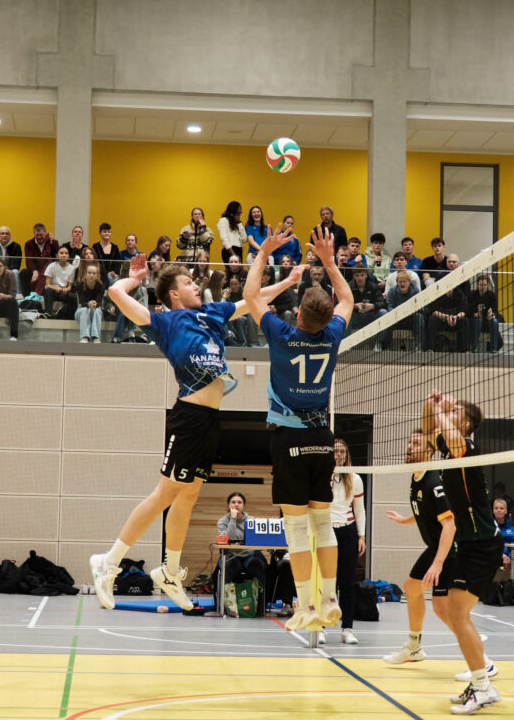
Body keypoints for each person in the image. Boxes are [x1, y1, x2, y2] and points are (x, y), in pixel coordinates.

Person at [90, 254, 301, 610]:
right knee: (164, 495)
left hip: (210, 420)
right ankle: (108, 563)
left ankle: (170, 571)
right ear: (173, 294)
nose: (195, 285)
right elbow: (114, 293)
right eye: (187, 282)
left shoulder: (213, 312)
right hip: (188, 417)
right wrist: (135, 279)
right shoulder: (165, 322)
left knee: (188, 496)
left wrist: (288, 282)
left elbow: (252, 299)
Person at [243, 225, 353, 632]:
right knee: (323, 524)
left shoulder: (282, 333)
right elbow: (347, 299)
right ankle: (330, 600)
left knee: (295, 527)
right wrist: (329, 261)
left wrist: (265, 252)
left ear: (300, 315)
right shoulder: (332, 335)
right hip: (323, 439)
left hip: (289, 438)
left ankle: (306, 606)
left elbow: (251, 295)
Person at [422, 390, 503, 714]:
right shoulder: (450, 447)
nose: (449, 413)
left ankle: (483, 685)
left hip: (483, 544)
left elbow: (445, 430)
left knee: (457, 614)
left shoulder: (465, 447)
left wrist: (443, 409)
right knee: (456, 613)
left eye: (456, 411)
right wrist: (431, 406)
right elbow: (429, 430)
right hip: (470, 544)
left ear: (466, 423)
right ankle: (481, 680)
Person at [384, 429, 463, 668]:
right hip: (436, 547)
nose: (409, 446)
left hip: (448, 550)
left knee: (442, 607)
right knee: (411, 588)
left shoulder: (434, 481)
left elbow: (449, 524)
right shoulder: (417, 477)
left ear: (429, 451)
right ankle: (414, 647)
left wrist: (438, 563)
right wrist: (405, 520)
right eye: (409, 441)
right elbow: (426, 511)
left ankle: (481, 658)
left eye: (416, 443)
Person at [328, 438, 365, 645]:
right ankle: (321, 627)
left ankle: (347, 629)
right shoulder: (322, 475)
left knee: (347, 583)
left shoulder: (355, 478)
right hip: (327, 531)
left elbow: (359, 510)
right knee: (326, 583)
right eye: (335, 451)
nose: (339, 454)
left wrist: (362, 536)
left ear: (347, 454)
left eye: (342, 451)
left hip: (348, 532)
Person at [424, 255, 469, 352]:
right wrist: (445, 317)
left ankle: (463, 351)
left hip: (454, 319)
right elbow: (432, 310)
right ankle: (429, 349)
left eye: (454, 262)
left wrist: (456, 317)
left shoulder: (459, 293)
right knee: (432, 320)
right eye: (449, 261)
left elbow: (464, 310)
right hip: (441, 319)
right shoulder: (437, 294)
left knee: (465, 321)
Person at [380, 270, 425, 351]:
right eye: (400, 282)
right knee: (387, 317)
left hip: (411, 318)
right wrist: (396, 313)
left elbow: (420, 307)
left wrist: (410, 312)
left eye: (404, 281)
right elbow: (390, 306)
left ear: (409, 282)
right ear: (397, 283)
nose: (402, 284)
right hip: (396, 318)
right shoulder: (392, 291)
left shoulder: (415, 290)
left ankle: (418, 347)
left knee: (419, 316)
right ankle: (386, 348)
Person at [23, 223, 59, 297]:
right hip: (35, 268)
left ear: (45, 233)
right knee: (24, 272)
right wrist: (34, 271)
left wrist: (51, 243)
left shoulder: (53, 242)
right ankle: (26, 296)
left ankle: (37, 294)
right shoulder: (29, 244)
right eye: (37, 235)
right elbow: (29, 260)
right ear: (34, 234)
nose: (39, 237)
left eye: (41, 235)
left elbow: (56, 256)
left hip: (49, 268)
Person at [468, 274, 501, 353]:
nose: (482, 287)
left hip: (486, 322)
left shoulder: (492, 295)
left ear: (488, 285)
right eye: (480, 285)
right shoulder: (472, 294)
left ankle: (493, 349)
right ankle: (475, 348)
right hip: (474, 322)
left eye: (484, 285)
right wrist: (474, 314)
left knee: (495, 321)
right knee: (478, 319)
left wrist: (492, 315)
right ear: (477, 285)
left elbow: (495, 310)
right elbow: (467, 310)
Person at [348, 267, 386, 334]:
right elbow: (343, 304)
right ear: (353, 276)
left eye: (362, 275)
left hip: (370, 316)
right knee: (345, 316)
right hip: (355, 316)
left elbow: (382, 302)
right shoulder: (348, 287)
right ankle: (346, 340)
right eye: (357, 275)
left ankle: (380, 340)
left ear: (366, 275)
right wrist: (355, 306)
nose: (360, 278)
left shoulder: (374, 286)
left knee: (383, 312)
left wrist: (372, 306)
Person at [75, 262, 105, 343]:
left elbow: (99, 301)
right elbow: (82, 302)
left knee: (97, 311)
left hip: (95, 309)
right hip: (82, 309)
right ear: (85, 274)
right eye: (89, 273)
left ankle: (96, 337)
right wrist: (88, 304)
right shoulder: (80, 285)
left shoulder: (100, 286)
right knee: (85, 310)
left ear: (97, 275)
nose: (91, 275)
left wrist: (95, 304)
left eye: (94, 273)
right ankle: (85, 337)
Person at [43, 246, 76, 318]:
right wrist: (56, 288)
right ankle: (48, 314)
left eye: (66, 253)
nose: (64, 255)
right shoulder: (51, 266)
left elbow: (69, 286)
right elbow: (48, 284)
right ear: (57, 255)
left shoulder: (72, 268)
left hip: (63, 292)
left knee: (73, 296)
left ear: (68, 256)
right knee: (47, 291)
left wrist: (66, 289)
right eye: (61, 253)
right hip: (53, 291)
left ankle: (72, 316)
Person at [0, 226, 22, 292]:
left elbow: (17, 264)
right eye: (2, 233)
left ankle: (17, 294)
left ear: (10, 235)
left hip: (10, 269)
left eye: (7, 233)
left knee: (15, 272)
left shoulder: (16, 246)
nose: (5, 235)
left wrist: (5, 269)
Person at [217, 201, 247, 265]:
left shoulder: (238, 223)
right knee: (230, 269)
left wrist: (239, 223)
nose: (239, 215)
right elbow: (224, 238)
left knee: (239, 270)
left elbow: (244, 239)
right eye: (237, 213)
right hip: (229, 250)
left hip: (239, 250)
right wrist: (233, 254)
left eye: (240, 214)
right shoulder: (223, 220)